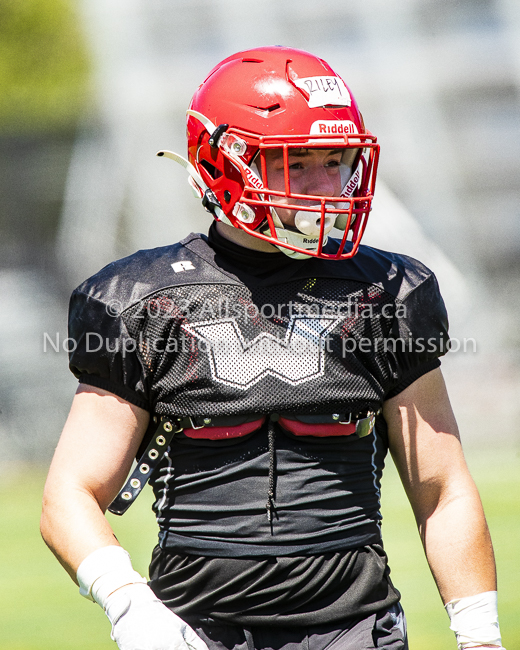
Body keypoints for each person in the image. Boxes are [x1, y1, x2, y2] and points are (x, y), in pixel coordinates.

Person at [41, 46, 506, 650]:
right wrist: (129, 603)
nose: (327, 187)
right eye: (297, 165)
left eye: (337, 161)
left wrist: (480, 634)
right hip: (193, 628)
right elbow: (70, 492)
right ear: (225, 165)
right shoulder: (141, 297)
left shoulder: (385, 292)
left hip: (354, 627)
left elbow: (442, 487)